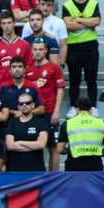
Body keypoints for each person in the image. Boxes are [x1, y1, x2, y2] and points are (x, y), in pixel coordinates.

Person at [26, 38, 65, 171]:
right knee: (34, 146)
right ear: (31, 51)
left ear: (46, 50)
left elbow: (60, 90)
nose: (38, 52)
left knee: (53, 147)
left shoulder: (54, 68)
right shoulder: (27, 69)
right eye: (35, 49)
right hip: (34, 113)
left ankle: (53, 177)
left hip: (49, 112)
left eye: (41, 49)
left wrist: (57, 111)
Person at [62, 0, 101, 118]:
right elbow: (69, 25)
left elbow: (97, 21)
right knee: (75, 80)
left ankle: (93, 107)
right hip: (74, 48)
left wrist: (78, 19)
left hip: (91, 47)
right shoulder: (67, 5)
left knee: (91, 79)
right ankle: (74, 107)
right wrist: (87, 22)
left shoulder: (93, 3)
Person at [58, 97, 104, 172]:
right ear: (91, 110)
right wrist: (99, 152)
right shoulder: (102, 123)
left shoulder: (67, 124)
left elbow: (60, 149)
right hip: (95, 165)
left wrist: (72, 150)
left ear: (76, 110)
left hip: (73, 166)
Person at [4, 93, 48, 171]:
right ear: (18, 107)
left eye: (27, 103)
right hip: (15, 169)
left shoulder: (41, 122)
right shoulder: (12, 122)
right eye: (21, 104)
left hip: (36, 168)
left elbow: (41, 145)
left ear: (33, 105)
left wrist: (19, 142)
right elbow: (10, 146)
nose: (24, 105)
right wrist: (34, 146)